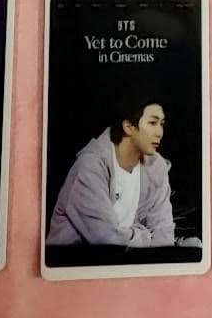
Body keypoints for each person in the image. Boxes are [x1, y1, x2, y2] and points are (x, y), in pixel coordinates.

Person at [47, 98, 176, 247]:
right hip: (74, 258)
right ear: (128, 127)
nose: (160, 132)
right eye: (152, 123)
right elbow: (105, 238)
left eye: (161, 124)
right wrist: (146, 237)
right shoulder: (91, 165)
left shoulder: (156, 167)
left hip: (132, 258)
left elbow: (164, 237)